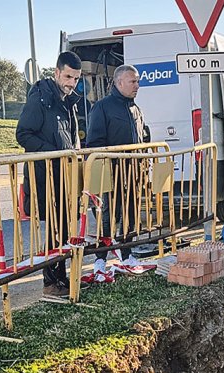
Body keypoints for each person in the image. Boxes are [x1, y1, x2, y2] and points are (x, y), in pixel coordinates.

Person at [16, 52, 82, 299]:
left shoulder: (67, 101)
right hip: (46, 178)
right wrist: (55, 154)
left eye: (75, 79)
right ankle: (50, 282)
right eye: (67, 76)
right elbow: (23, 134)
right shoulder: (40, 99)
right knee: (55, 231)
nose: (71, 83)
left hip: (65, 178)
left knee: (65, 231)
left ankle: (61, 278)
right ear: (56, 72)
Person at [85, 65, 149, 281]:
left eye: (138, 81)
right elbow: (94, 143)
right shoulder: (102, 108)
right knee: (108, 216)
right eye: (133, 82)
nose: (137, 86)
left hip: (133, 174)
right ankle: (100, 259)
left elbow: (143, 138)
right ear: (119, 82)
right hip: (110, 173)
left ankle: (127, 254)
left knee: (130, 214)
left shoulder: (136, 109)